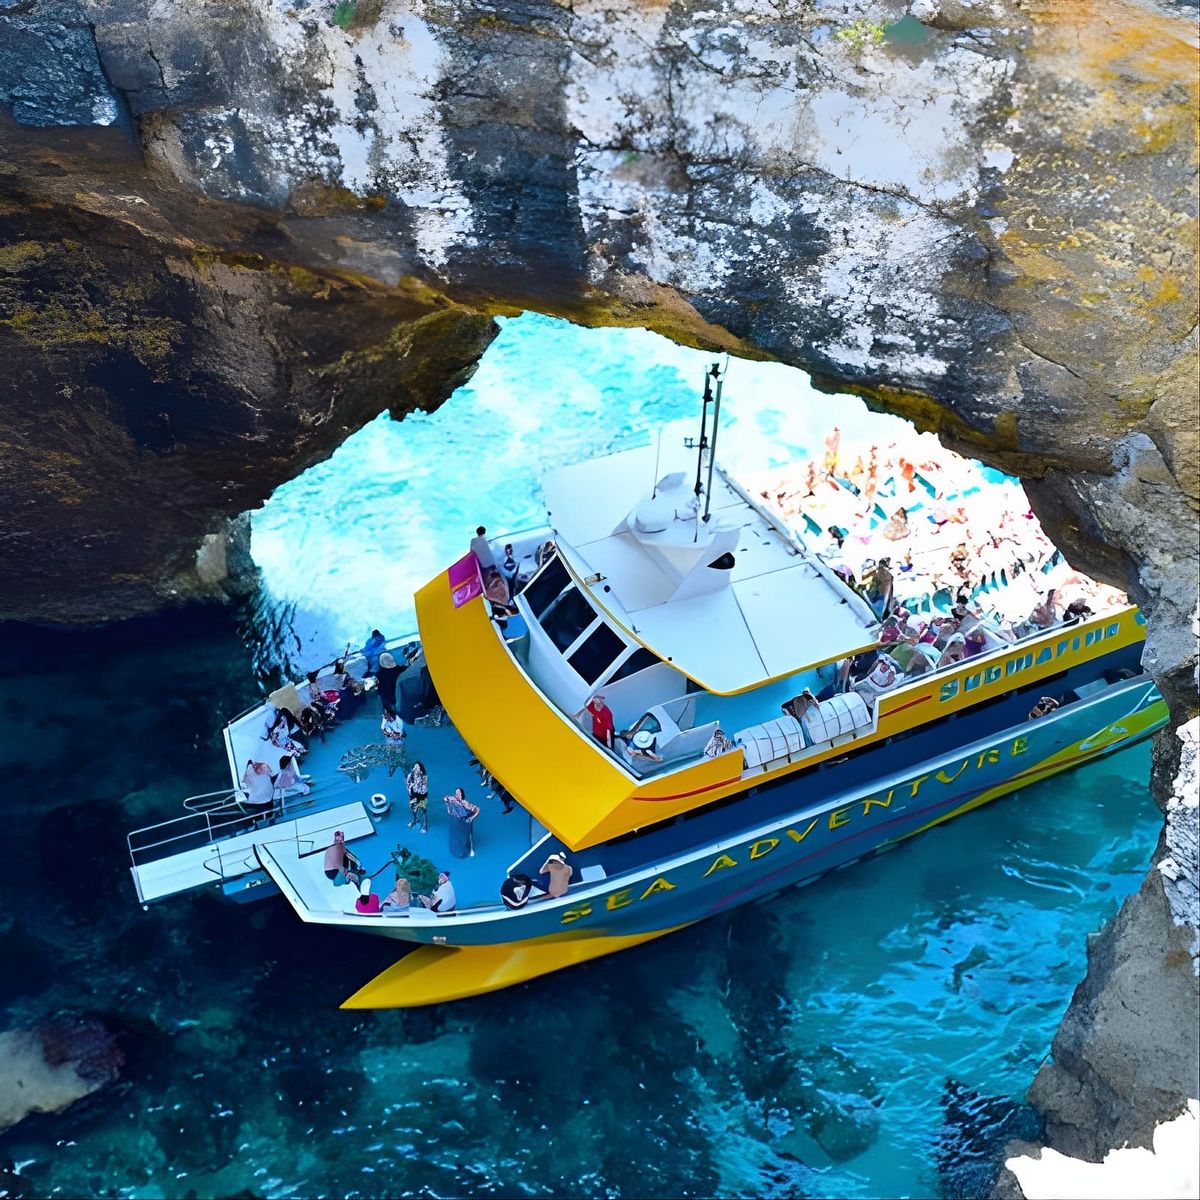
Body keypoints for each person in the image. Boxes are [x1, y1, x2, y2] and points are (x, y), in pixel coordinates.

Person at [445, 787, 479, 859]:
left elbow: (477, 809)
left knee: (468, 836)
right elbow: (446, 802)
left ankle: (471, 849)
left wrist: (472, 817)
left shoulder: (465, 803)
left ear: (461, 794)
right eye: (456, 792)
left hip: (465, 822)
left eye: (459, 792)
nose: (457, 794)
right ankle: (459, 846)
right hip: (457, 822)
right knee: (458, 835)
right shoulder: (453, 800)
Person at [406, 760, 429, 832]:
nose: (416, 769)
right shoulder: (410, 775)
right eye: (415, 767)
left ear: (420, 769)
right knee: (413, 809)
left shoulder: (423, 777)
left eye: (418, 767)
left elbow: (424, 788)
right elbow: (407, 784)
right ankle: (414, 820)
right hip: (413, 795)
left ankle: (424, 826)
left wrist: (417, 782)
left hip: (422, 795)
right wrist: (410, 790)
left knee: (423, 810)